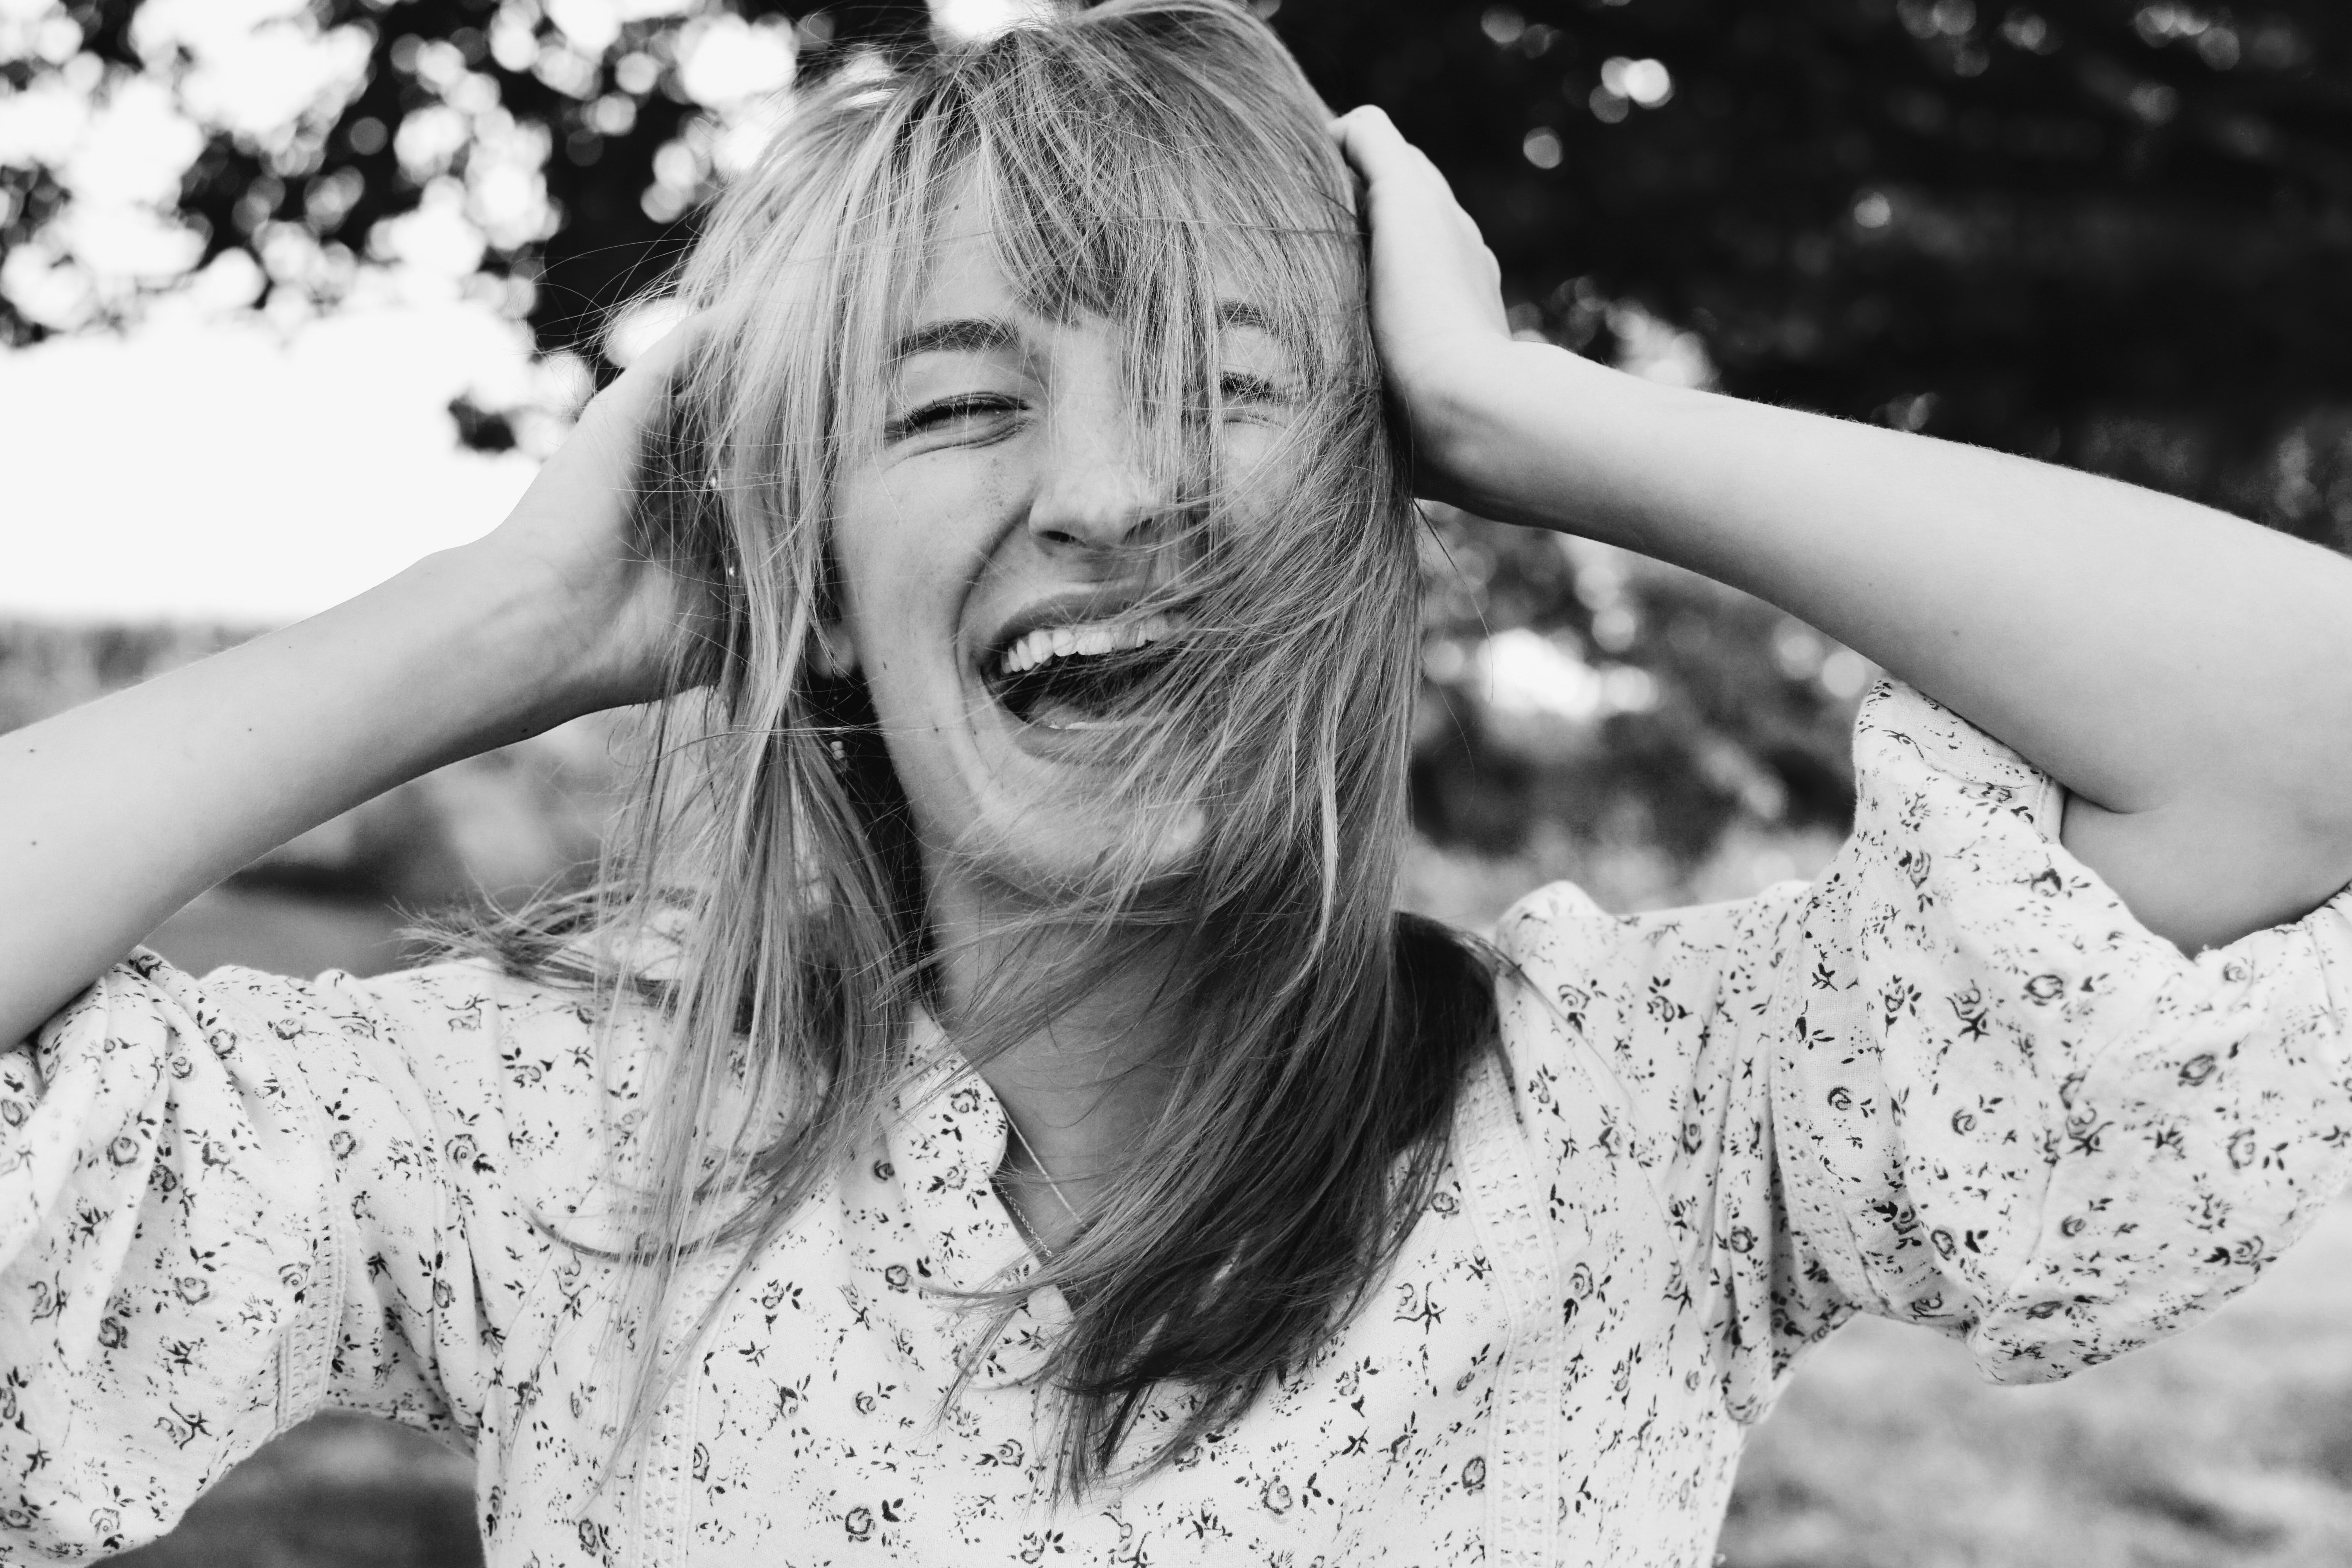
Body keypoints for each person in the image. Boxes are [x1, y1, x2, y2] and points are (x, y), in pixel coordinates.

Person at [5, 3, 2351, 1563]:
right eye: (951, 405)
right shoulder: (557, 1148)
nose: (1119, 489)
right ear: (808, 584)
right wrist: (507, 625)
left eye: (1238, 384)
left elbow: (2307, 728)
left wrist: (1526, 416)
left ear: (1377, 507)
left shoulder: (1654, 1121)